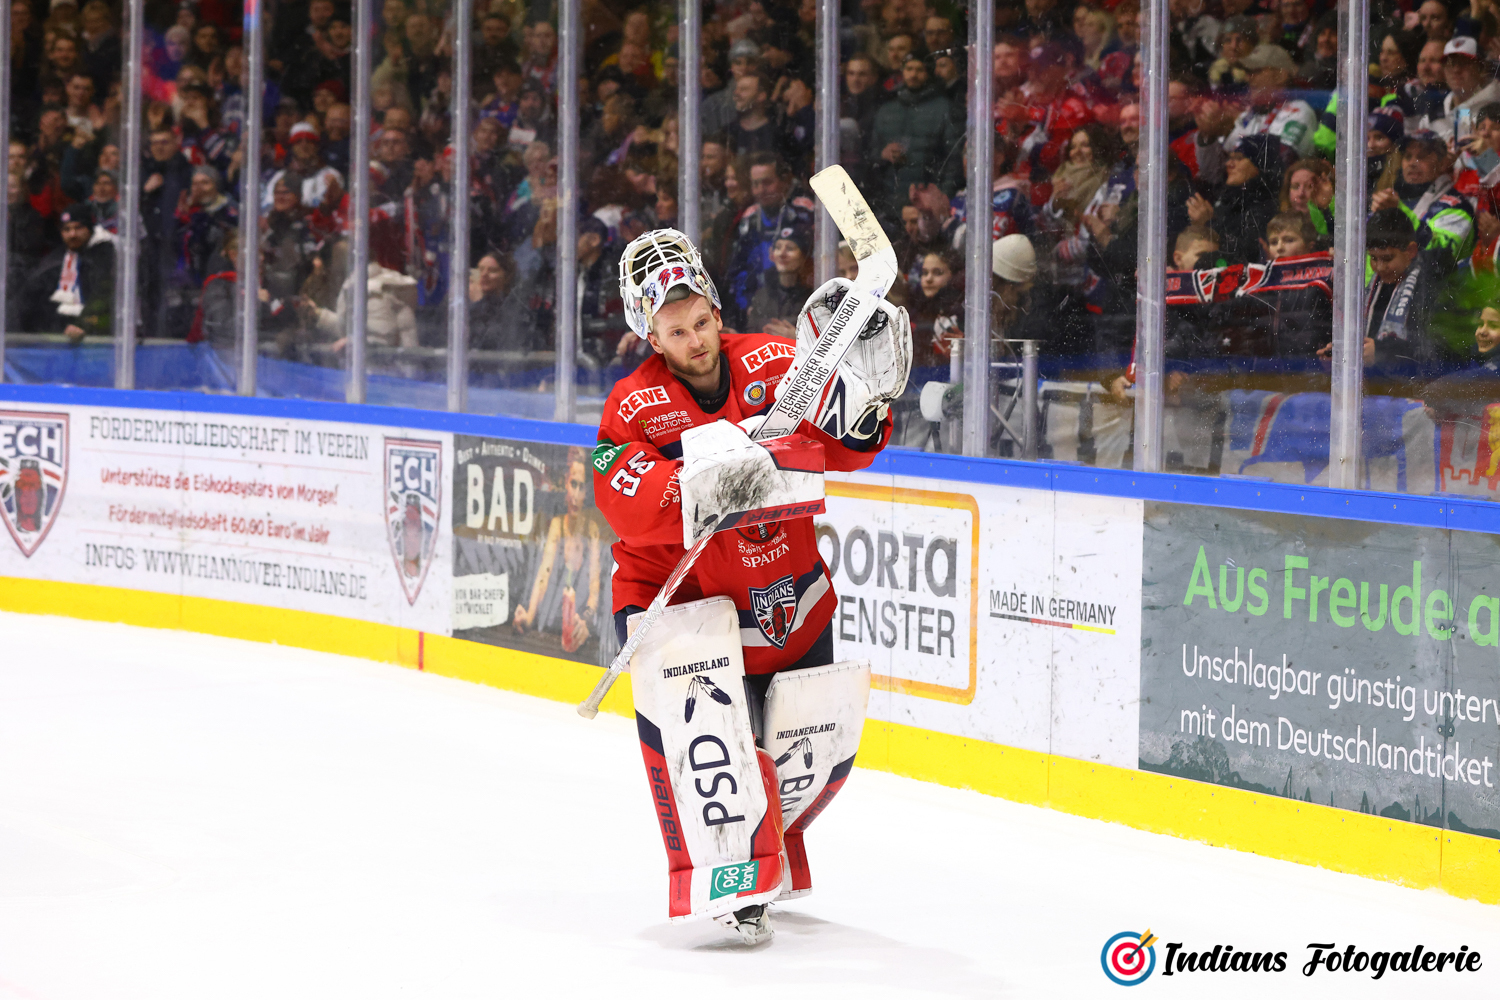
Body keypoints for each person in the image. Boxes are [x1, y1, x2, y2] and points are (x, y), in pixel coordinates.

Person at [594, 228, 908, 945]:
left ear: (714, 309)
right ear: (651, 336)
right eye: (677, 332)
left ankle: (768, 846)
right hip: (679, 602)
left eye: (701, 321)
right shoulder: (632, 405)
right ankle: (734, 871)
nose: (696, 341)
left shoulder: (775, 363)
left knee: (810, 750)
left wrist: (865, 409)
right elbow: (623, 501)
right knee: (712, 749)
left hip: (782, 591)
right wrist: (703, 477)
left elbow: (847, 449)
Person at [1370, 129, 1475, 272]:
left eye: (1422, 156)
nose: (1412, 163)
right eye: (1408, 156)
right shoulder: (1392, 198)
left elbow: (1440, 256)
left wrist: (1398, 213)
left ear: (1442, 163)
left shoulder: (1458, 207)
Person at [23, 208, 113, 340]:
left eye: (78, 228)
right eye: (66, 229)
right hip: (59, 338)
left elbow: (104, 297)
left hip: (98, 339)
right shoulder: (56, 259)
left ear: (90, 229)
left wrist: (83, 324)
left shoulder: (106, 257)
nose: (72, 234)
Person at [744, 223, 812, 336]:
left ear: (803, 257)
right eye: (778, 247)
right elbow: (750, 331)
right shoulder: (762, 295)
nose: (782, 254)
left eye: (790, 248)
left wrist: (797, 337)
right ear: (772, 254)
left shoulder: (812, 297)